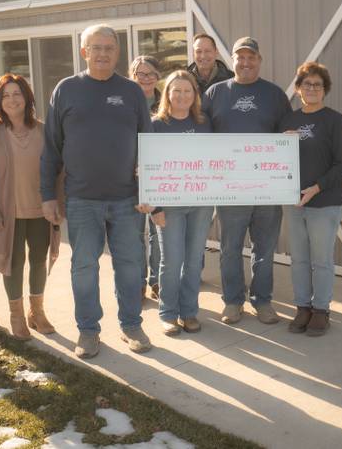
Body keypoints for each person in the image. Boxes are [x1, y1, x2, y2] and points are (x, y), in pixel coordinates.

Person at [40, 24, 153, 359]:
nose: (103, 53)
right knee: (84, 267)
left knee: (130, 266)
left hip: (127, 200)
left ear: (117, 52)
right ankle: (88, 332)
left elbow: (148, 146)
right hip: (82, 199)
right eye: (96, 47)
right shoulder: (66, 90)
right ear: (84, 52)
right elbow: (51, 148)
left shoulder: (132, 92)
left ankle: (131, 325)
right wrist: (48, 194)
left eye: (109, 47)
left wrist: (151, 191)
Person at [203, 36, 292, 325]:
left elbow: (287, 139)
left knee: (264, 249)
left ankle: (262, 300)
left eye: (250, 57)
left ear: (259, 60)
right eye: (240, 57)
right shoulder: (215, 93)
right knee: (230, 248)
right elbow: (200, 136)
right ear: (232, 60)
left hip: (267, 189)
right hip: (229, 189)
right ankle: (232, 301)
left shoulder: (275, 95)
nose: (245, 62)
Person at [0, 74, 61, 340]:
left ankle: (37, 312)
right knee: (13, 263)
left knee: (37, 260)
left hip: (40, 211)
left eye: (17, 94)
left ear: (27, 98)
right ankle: (17, 316)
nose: (12, 100)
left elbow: (58, 170)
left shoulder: (43, 130)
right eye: (5, 95)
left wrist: (57, 202)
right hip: (7, 214)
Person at [279, 62, 342, 336]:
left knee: (321, 259)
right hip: (293, 202)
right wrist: (280, 142)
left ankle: (321, 310)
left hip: (324, 202)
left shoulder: (335, 121)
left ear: (325, 90)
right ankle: (302, 307)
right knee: (298, 258)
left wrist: (316, 188)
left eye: (317, 85)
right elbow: (274, 159)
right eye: (306, 84)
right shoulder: (288, 121)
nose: (311, 89)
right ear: (298, 89)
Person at [142, 71, 214, 335]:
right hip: (168, 206)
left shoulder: (205, 123)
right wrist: (155, 208)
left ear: (195, 95)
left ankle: (189, 311)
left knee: (194, 260)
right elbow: (147, 168)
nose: (182, 96)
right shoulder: (156, 125)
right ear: (167, 94)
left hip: (201, 203)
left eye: (188, 91)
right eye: (177, 90)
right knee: (171, 260)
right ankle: (168, 313)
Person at [129, 55, 162, 300]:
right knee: (134, 234)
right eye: (141, 74)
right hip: (131, 176)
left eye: (150, 73)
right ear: (133, 76)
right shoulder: (125, 102)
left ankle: (158, 282)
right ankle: (137, 282)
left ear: (158, 76)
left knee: (158, 231)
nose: (146, 78)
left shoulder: (166, 102)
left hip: (161, 178)